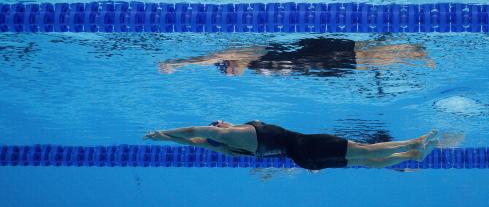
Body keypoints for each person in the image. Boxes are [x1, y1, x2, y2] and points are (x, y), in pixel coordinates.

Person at [144, 121, 463, 170]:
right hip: (306, 145)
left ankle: (412, 153)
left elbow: (199, 142)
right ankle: (415, 144)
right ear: (220, 128)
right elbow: (194, 131)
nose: (220, 123)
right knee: (362, 151)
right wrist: (165, 133)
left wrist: (166, 138)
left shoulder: (231, 146)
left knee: (362, 161)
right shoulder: (234, 134)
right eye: (218, 123)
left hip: (303, 157)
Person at [157, 38, 435, 76]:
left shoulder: (243, 53)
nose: (225, 71)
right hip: (313, 61)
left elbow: (208, 57)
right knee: (365, 55)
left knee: (365, 59)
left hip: (316, 56)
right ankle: (410, 49)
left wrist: (178, 64)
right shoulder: (251, 63)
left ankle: (414, 51)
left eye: (224, 67)